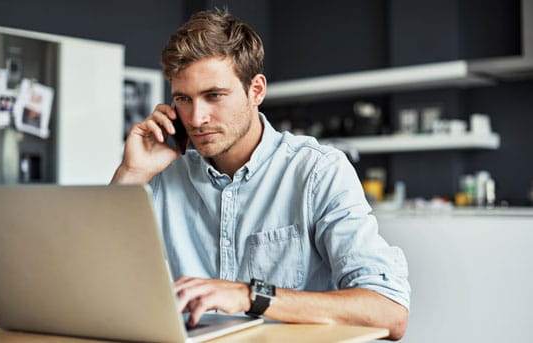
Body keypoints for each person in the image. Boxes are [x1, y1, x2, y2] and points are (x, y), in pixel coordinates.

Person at [111, 9, 410, 340]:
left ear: (256, 90)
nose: (196, 118)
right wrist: (131, 174)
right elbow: (90, 281)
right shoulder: (161, 176)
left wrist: (249, 295)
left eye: (214, 96)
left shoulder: (318, 171)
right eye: (183, 99)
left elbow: (389, 311)